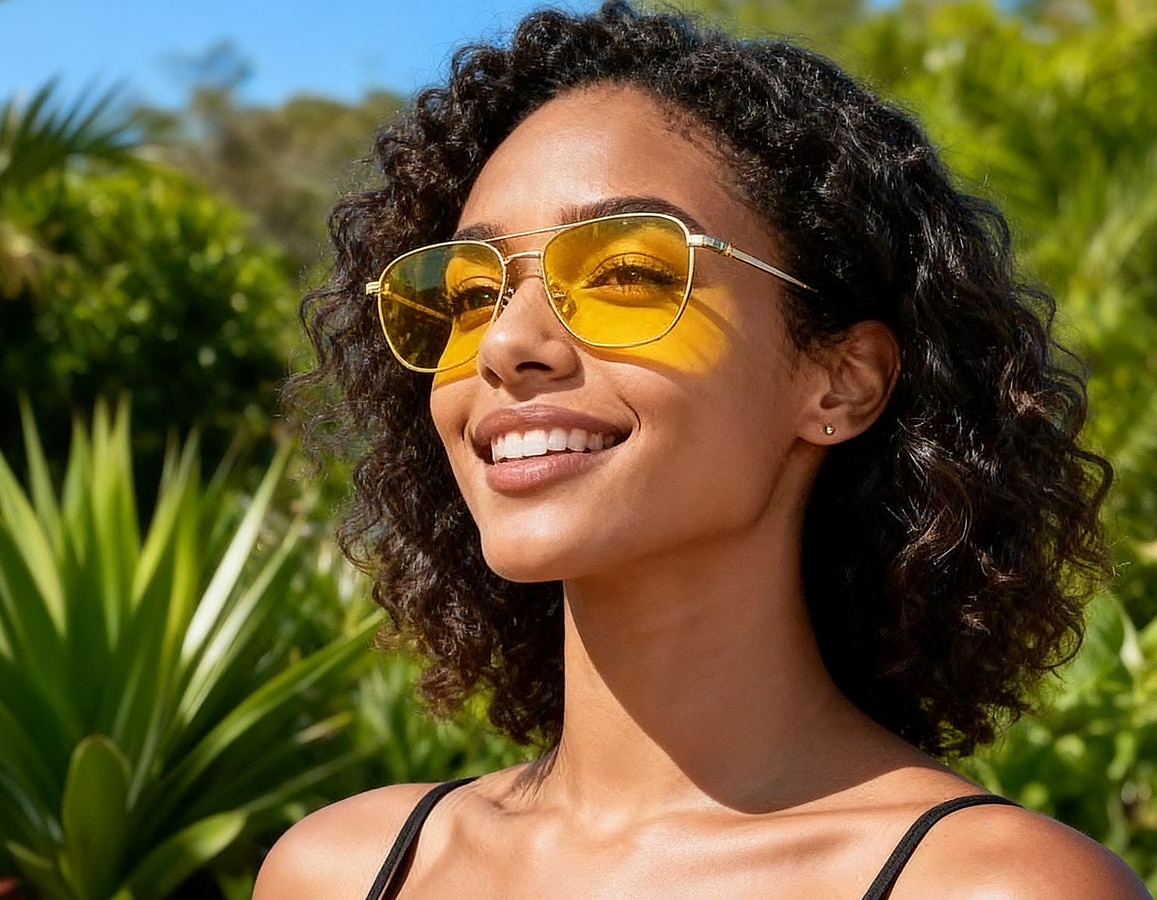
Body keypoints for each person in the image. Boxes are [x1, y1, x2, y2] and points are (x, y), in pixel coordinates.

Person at [256, 2, 1150, 897]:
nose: (502, 343)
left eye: (625, 273)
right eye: (466, 291)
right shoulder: (345, 871)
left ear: (841, 382)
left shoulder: (990, 888)